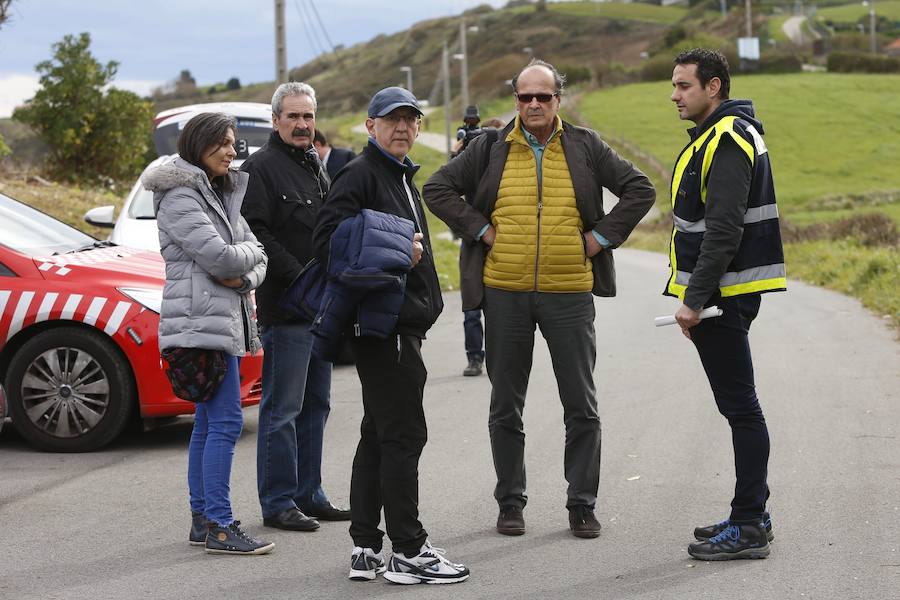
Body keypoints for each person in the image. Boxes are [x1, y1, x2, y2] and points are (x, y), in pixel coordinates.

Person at [423, 59, 655, 539]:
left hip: (569, 293)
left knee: (582, 406)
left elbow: (640, 189)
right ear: (515, 99)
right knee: (506, 404)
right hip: (504, 293)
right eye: (525, 96)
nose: (533, 104)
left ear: (558, 100)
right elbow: (437, 188)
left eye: (543, 97)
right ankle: (510, 503)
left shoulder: (585, 145)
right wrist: (481, 230)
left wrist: (600, 239)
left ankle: (582, 505)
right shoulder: (490, 146)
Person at [313, 86, 469, 585]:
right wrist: (399, 248)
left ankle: (364, 546)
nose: (402, 127)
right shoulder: (359, 174)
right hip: (383, 326)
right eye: (391, 119)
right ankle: (409, 549)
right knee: (404, 434)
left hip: (395, 325)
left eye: (410, 120)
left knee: (377, 434)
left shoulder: (399, 175)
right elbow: (328, 242)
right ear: (370, 125)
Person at [666, 48, 785, 560]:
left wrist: (694, 301)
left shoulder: (729, 138)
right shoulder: (718, 136)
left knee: (741, 408)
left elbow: (724, 227)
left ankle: (749, 525)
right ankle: (751, 512)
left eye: (683, 86)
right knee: (739, 406)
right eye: (673, 85)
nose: (674, 95)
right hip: (723, 293)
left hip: (722, 296)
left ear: (713, 88)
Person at [145, 112, 272, 555]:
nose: (231, 150)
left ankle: (204, 520)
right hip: (200, 327)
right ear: (197, 143)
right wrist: (243, 265)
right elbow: (222, 257)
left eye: (234, 143)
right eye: (221, 142)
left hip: (220, 322)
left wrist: (245, 277)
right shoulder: (181, 196)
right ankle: (219, 524)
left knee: (207, 422)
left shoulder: (217, 192)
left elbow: (259, 253)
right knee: (225, 422)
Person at [240, 82, 350, 532]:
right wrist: (301, 275)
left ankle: (309, 493)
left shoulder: (313, 166)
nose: (303, 124)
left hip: (322, 308)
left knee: (317, 406)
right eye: (293, 117)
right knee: (282, 410)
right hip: (288, 309)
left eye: (308, 116)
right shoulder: (260, 169)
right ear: (276, 121)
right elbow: (255, 231)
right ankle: (278, 501)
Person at [455, 116, 505, 378]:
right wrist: (457, 153)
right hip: (474, 242)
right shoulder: (473, 163)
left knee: (500, 307)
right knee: (472, 306)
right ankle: (474, 358)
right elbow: (448, 186)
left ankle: (501, 357)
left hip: (505, 243)